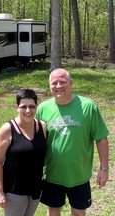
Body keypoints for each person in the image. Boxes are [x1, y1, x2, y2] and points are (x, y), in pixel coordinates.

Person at [36, 68, 110, 216]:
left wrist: (104, 168)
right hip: (52, 174)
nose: (58, 86)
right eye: (54, 83)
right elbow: (35, 140)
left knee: (78, 213)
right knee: (53, 211)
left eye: (62, 82)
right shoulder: (43, 108)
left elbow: (101, 138)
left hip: (79, 176)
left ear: (71, 83)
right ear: (49, 85)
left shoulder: (88, 107)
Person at [0, 88, 47, 216]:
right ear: (17, 107)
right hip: (14, 191)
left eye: (32, 106)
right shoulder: (7, 129)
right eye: (23, 107)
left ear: (36, 107)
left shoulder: (42, 127)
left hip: (35, 188)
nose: (28, 111)